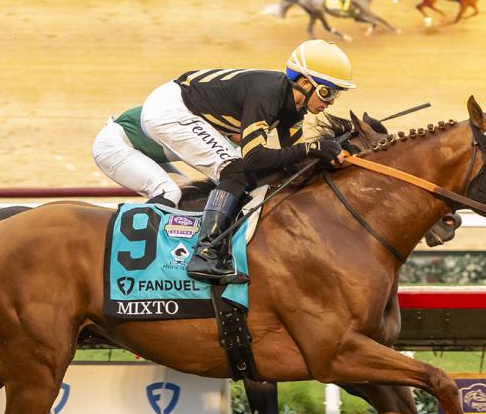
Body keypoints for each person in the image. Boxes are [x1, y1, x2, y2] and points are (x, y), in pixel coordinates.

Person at [140, 40, 355, 284]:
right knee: (236, 171)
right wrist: (314, 148)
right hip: (169, 111)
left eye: (337, 93)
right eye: (328, 92)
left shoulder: (294, 107)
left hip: (180, 106)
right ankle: (205, 254)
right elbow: (254, 157)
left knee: (247, 173)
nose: (331, 102)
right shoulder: (266, 95)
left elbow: (294, 159)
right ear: (305, 83)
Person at [92, 105, 185, 207]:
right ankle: (137, 222)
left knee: (190, 194)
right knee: (169, 193)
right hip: (115, 146)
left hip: (139, 145)